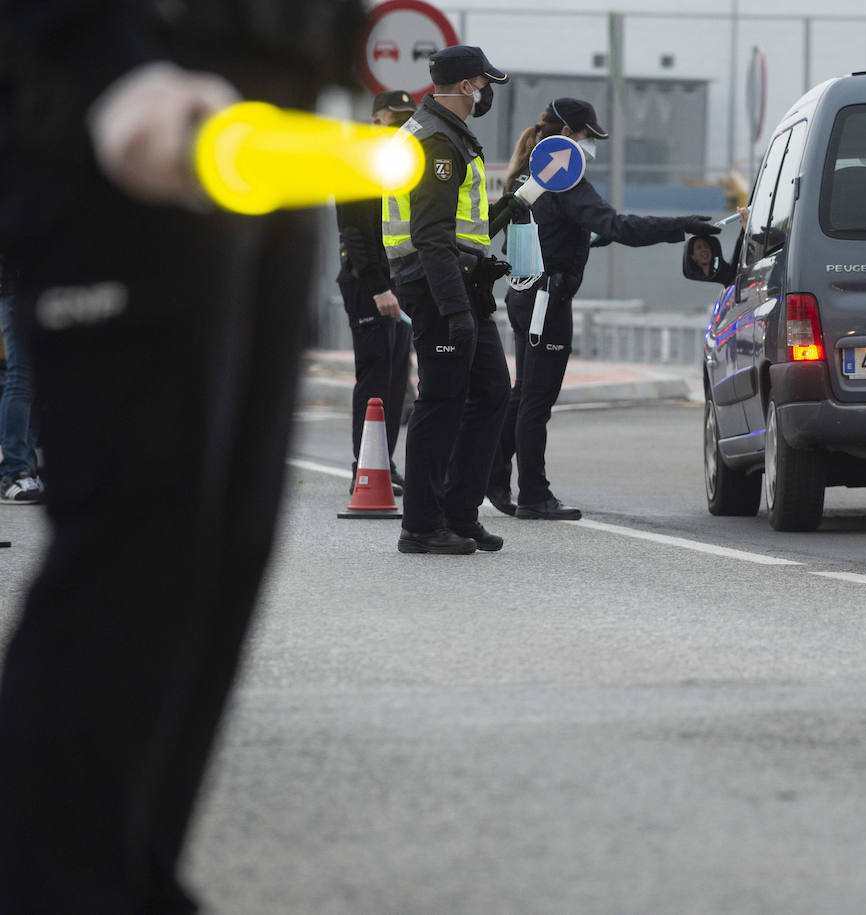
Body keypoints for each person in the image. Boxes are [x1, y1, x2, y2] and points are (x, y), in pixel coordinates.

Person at [0, 1, 366, 910]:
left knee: (223, 546)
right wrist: (108, 63)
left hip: (272, 110)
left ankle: (131, 877)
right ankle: (55, 888)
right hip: (135, 98)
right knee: (138, 542)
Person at [488, 98, 720, 521]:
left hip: (523, 296)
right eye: (587, 136)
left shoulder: (528, 176)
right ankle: (534, 495)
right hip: (547, 302)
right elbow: (619, 225)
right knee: (537, 400)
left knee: (524, 394)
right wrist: (681, 225)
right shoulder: (564, 180)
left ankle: (495, 475)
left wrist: (580, 237)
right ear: (567, 134)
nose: (590, 145)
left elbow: (533, 236)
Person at [384, 45, 526, 555]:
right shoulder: (437, 141)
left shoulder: (448, 134)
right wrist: (453, 309)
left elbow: (462, 226)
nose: (487, 94)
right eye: (485, 84)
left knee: (491, 391)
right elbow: (431, 234)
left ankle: (460, 513)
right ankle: (421, 525)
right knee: (442, 399)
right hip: (437, 285)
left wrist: (506, 208)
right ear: (467, 86)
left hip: (461, 282)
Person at [336, 90, 417, 494]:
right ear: (376, 120)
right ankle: (364, 468)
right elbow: (354, 233)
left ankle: (383, 462)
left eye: (407, 118)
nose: (401, 125)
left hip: (398, 281)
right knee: (375, 374)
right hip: (369, 284)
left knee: (396, 377)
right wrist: (378, 287)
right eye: (394, 118)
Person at [0, 254, 43, 504]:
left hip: (39, 288)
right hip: (17, 287)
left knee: (34, 381)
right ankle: (14, 472)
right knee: (21, 377)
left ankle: (26, 470)